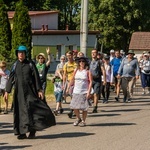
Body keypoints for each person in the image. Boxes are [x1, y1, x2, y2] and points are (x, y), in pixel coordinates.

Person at [4, 45, 56, 140]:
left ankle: (32, 131)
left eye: (22, 53)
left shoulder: (30, 64)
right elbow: (11, 78)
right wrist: (7, 91)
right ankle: (22, 132)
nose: (21, 55)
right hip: (19, 93)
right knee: (20, 112)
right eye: (19, 53)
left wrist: (39, 90)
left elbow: (36, 77)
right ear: (17, 54)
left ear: (25, 54)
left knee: (32, 110)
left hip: (30, 91)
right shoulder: (15, 65)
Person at [67, 56, 92, 127]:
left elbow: (90, 82)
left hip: (84, 91)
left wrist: (88, 92)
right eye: (80, 61)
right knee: (74, 106)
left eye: (83, 61)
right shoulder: (76, 70)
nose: (81, 63)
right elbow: (72, 79)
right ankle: (78, 118)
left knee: (84, 107)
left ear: (85, 63)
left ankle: (83, 121)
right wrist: (68, 87)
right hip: (76, 91)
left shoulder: (87, 71)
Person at [63, 50, 77, 118]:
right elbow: (64, 75)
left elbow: (76, 73)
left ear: (72, 56)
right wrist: (63, 84)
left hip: (75, 82)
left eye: (70, 56)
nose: (68, 57)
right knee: (72, 96)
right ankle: (74, 110)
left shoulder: (75, 64)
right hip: (69, 82)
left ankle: (72, 111)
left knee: (73, 96)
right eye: (67, 56)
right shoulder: (66, 64)